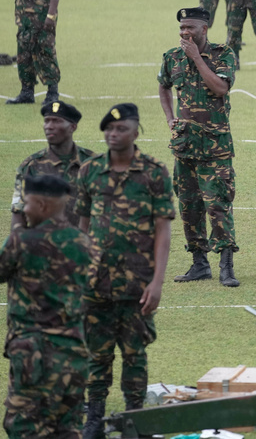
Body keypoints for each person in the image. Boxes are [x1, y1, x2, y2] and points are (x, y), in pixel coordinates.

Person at [77, 103, 173, 434]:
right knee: (97, 356)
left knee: (135, 355)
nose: (113, 134)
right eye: (109, 129)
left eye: (120, 129)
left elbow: (163, 229)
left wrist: (157, 282)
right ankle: (95, 419)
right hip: (95, 283)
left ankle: (135, 418)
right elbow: (82, 224)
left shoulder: (154, 172)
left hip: (138, 283)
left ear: (136, 132)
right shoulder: (89, 170)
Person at [0, 174, 98, 439]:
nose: (23, 209)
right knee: (67, 428)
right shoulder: (84, 243)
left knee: (24, 427)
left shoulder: (22, 241)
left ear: (42, 205)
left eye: (27, 203)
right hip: (74, 354)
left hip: (33, 354)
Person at [158, 7, 240, 287]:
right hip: (185, 146)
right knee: (189, 207)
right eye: (181, 28)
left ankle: (226, 266)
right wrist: (171, 118)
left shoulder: (224, 54)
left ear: (204, 29)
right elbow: (163, 86)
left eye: (190, 28)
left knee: (218, 205)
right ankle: (199, 264)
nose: (184, 33)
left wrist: (196, 58)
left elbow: (220, 88)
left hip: (215, 147)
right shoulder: (171, 57)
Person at [11, 100, 94, 229]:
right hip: (44, 244)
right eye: (47, 121)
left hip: (84, 245)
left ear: (73, 127)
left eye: (56, 121)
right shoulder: (32, 165)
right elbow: (18, 213)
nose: (49, 126)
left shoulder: (92, 163)